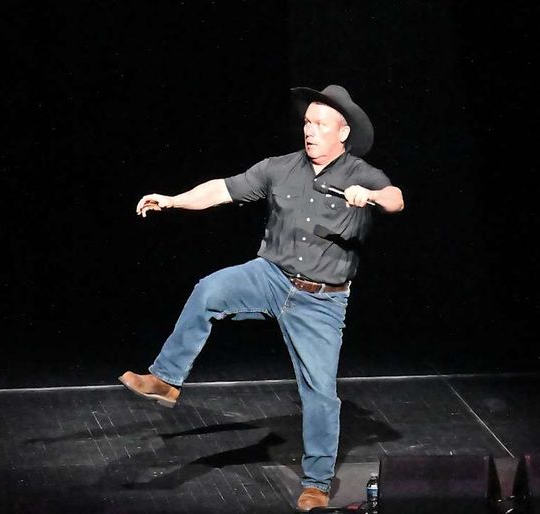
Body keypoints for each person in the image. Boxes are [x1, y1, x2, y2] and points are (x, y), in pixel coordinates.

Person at [120, 84, 404, 511]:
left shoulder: (362, 174)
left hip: (321, 300)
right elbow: (222, 188)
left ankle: (316, 484)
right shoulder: (279, 167)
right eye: (307, 122)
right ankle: (166, 380)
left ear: (343, 132)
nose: (309, 131)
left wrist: (373, 197)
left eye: (320, 124)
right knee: (209, 290)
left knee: (321, 393)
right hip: (270, 276)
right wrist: (173, 200)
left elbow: (396, 199)